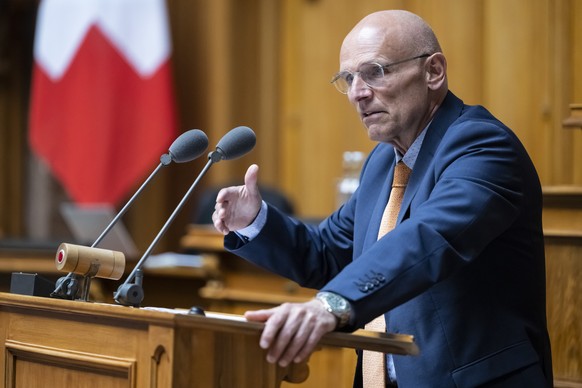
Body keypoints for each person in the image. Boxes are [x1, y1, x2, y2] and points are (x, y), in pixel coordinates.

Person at [212, 10, 553, 387]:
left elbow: (429, 238)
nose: (357, 92)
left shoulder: (483, 147)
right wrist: (255, 221)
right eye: (348, 78)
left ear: (433, 71)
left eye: (375, 71)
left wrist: (332, 304)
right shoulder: (382, 164)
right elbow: (329, 253)